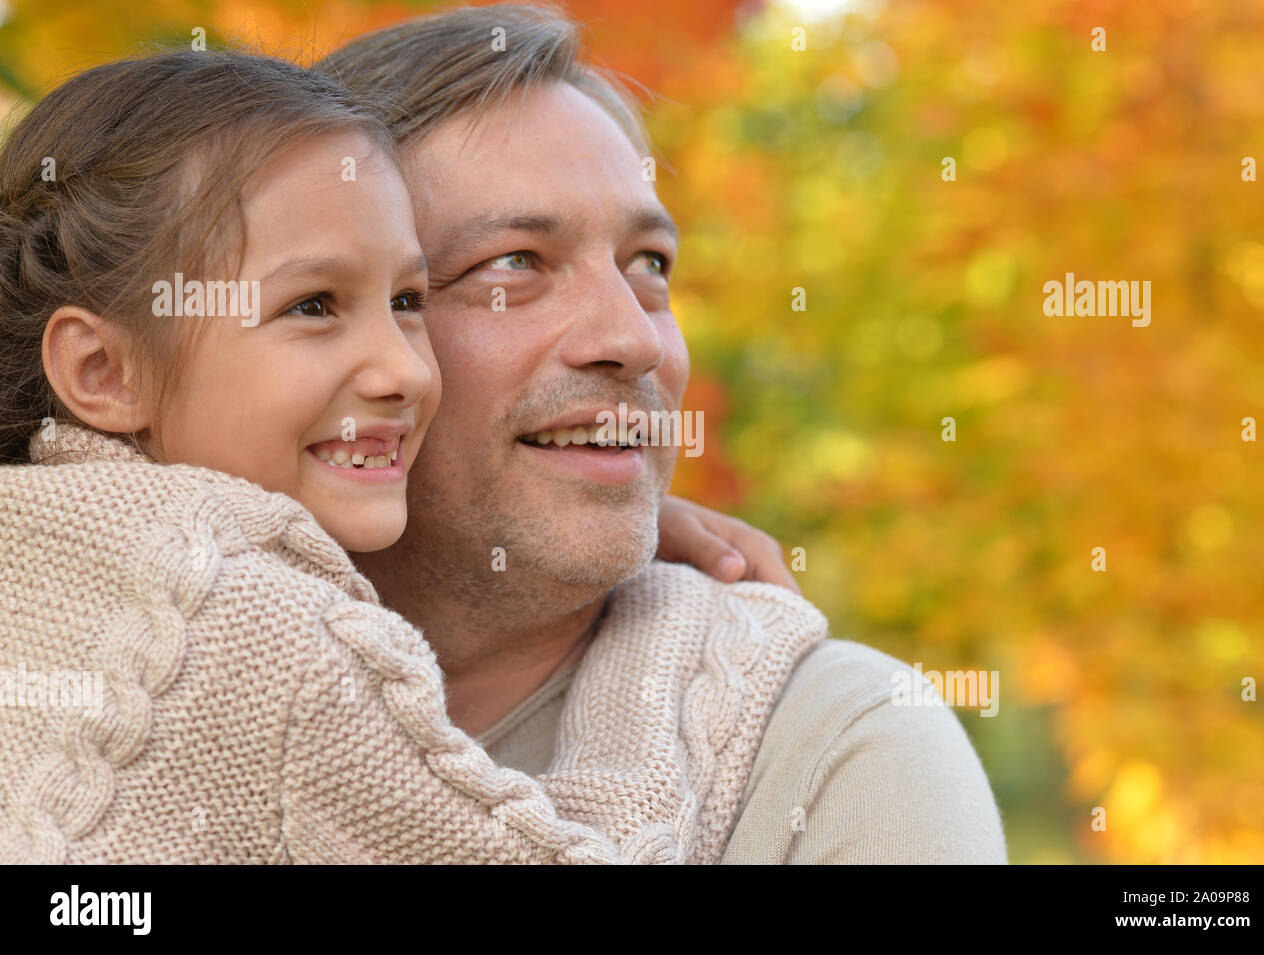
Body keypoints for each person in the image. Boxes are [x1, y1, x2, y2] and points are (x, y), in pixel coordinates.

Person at [0, 50, 809, 864]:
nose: (406, 370)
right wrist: (664, 624)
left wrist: (593, 494)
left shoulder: (42, 553)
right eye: (313, 305)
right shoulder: (270, 637)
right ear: (103, 371)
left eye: (407, 302)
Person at [323, 3, 1010, 863]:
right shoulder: (138, 684)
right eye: (515, 263)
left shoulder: (834, 753)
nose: (636, 339)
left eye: (647, 265)